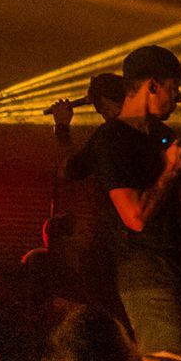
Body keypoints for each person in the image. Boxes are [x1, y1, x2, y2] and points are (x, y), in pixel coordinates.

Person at [86, 45, 181, 357]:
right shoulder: (112, 138)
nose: (178, 98)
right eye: (175, 87)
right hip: (145, 272)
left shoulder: (160, 133)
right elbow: (135, 218)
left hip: (175, 266)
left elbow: (170, 207)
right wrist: (168, 170)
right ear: (152, 85)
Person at [45, 72, 127, 314]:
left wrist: (61, 127)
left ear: (99, 100)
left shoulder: (111, 134)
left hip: (116, 243)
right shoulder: (140, 132)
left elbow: (68, 169)